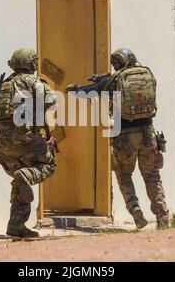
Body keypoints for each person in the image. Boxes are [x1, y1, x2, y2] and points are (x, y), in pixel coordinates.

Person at [66, 48, 169, 229]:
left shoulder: (112, 81)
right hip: (147, 134)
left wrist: (73, 89)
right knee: (152, 176)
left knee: (124, 174)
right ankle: (162, 218)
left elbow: (87, 92)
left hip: (124, 137)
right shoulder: (147, 75)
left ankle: (135, 208)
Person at [0, 48, 57, 238]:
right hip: (24, 135)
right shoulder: (32, 81)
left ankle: (16, 225)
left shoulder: (5, 83)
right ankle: (26, 176)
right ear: (30, 63)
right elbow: (51, 101)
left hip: (3, 139)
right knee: (46, 165)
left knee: (20, 181)